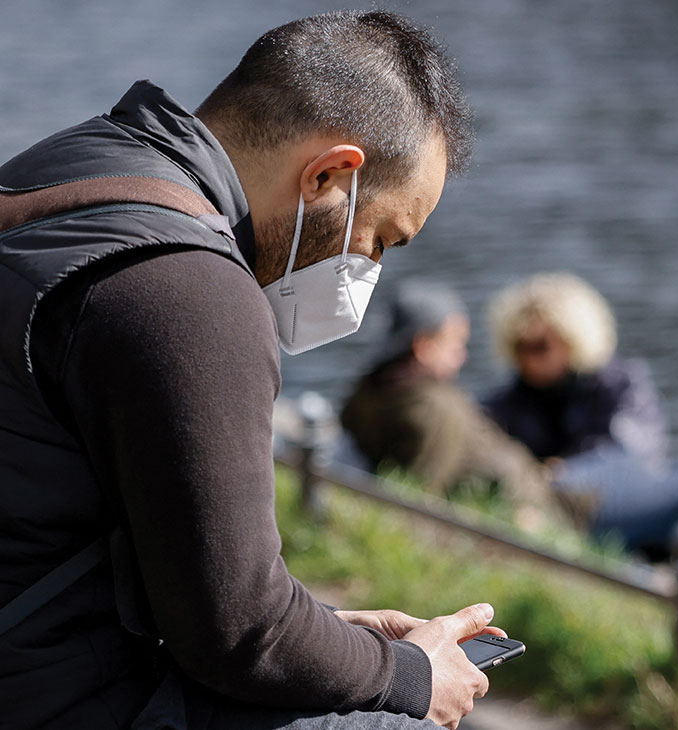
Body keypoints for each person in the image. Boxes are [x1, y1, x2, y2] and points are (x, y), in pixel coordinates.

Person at [0, 11, 503, 730]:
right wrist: (408, 676)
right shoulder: (190, 292)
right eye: (382, 239)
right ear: (330, 173)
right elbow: (240, 634)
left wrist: (335, 637)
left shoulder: (77, 169)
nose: (371, 271)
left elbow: (198, 586)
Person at [482, 271, 678, 561]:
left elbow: (632, 454)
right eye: (521, 347)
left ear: (572, 338)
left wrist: (564, 471)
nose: (530, 360)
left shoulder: (620, 383)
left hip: (600, 493)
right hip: (556, 505)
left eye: (541, 347)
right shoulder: (503, 405)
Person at [339, 280, 566, 529]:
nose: (463, 356)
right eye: (455, 343)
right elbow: (422, 502)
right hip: (523, 503)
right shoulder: (438, 409)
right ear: (423, 347)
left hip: (537, 487)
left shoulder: (367, 389)